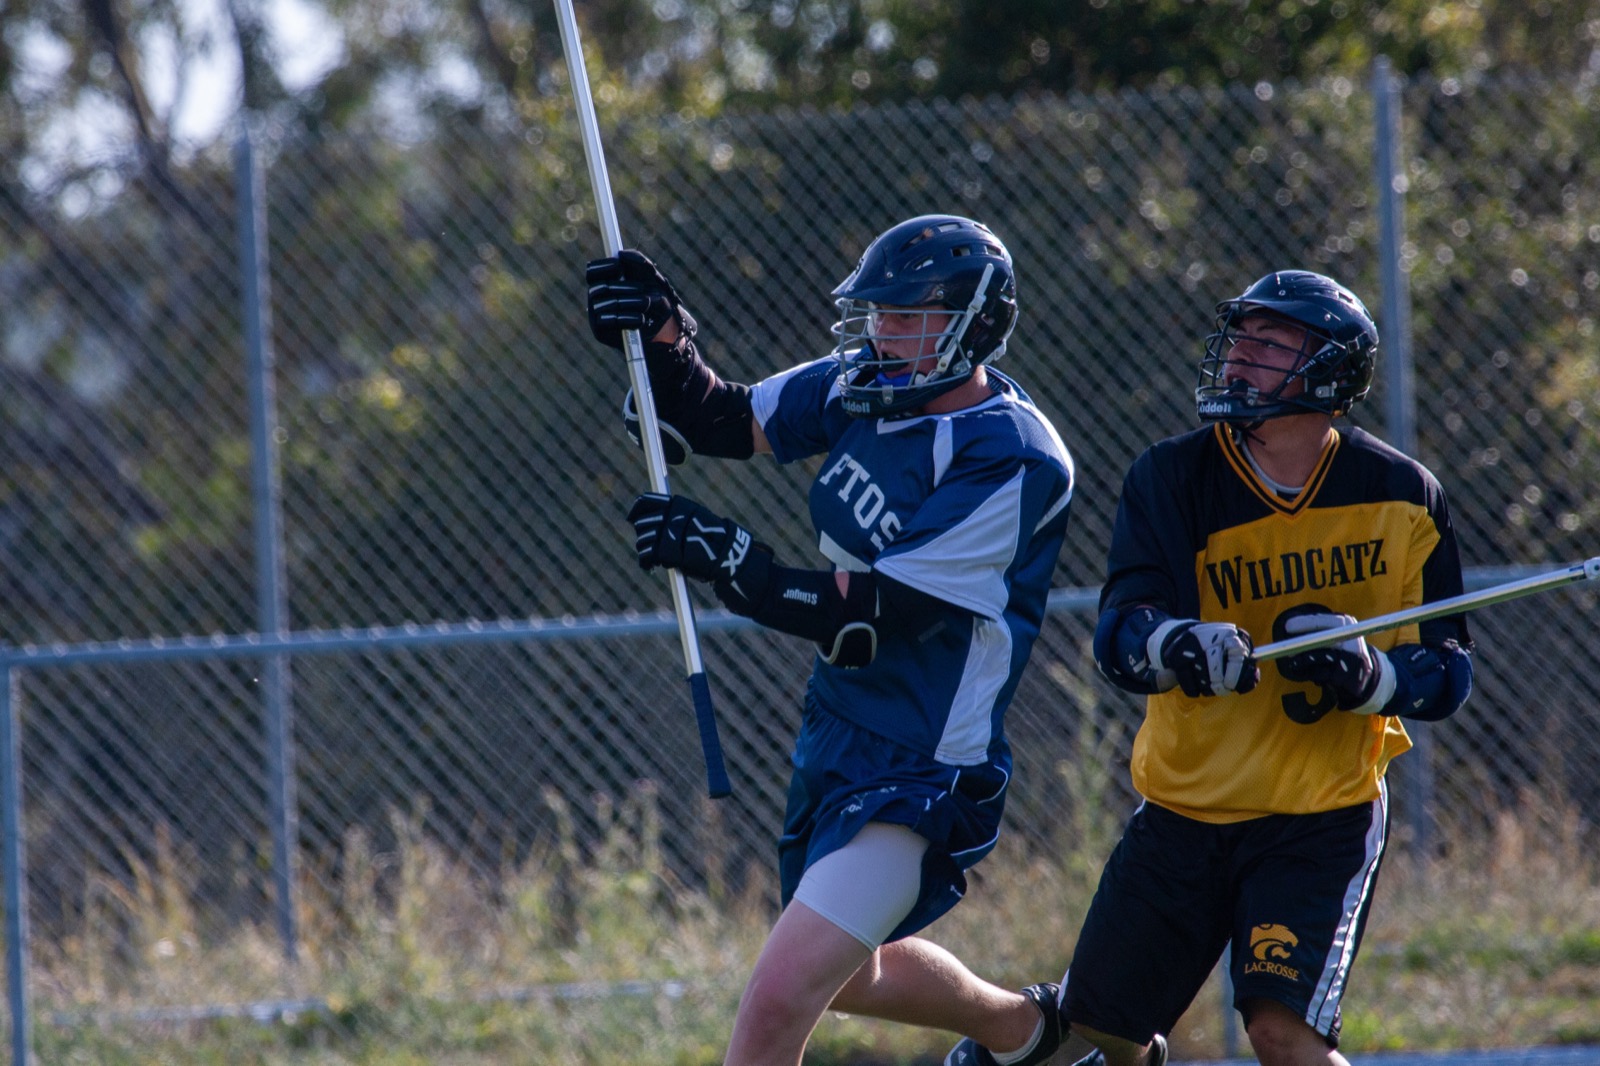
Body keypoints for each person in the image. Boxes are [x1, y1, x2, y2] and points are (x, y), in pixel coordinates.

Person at [946, 270, 1475, 1066]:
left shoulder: (1402, 494)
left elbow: (1447, 669)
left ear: (1330, 368)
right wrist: (1181, 647)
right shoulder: (1172, 476)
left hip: (1318, 817)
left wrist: (1373, 678)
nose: (1239, 359)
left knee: (1279, 1031)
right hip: (1185, 812)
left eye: (1270, 343)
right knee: (1095, 1039)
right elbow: (1123, 632)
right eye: (1241, 338)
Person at [585, 214, 1078, 1066]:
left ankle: (1033, 1036)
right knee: (850, 977)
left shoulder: (1013, 456)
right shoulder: (866, 381)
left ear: (972, 326)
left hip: (925, 758)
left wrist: (734, 561)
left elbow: (878, 613)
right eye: (878, 312)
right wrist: (664, 339)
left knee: (780, 997)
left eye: (908, 316)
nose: (883, 333)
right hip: (838, 725)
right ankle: (1032, 1035)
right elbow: (722, 420)